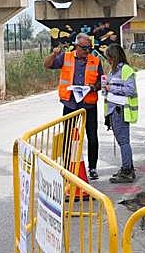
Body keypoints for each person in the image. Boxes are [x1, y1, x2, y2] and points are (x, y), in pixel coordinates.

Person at [43, 33, 105, 180]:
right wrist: (53, 54)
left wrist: (94, 87)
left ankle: (92, 167)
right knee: (68, 137)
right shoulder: (66, 57)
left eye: (89, 48)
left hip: (88, 105)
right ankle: (67, 166)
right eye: (84, 48)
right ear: (77, 46)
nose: (87, 51)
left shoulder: (95, 61)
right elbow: (47, 65)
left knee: (92, 136)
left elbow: (101, 81)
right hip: (70, 104)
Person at [103, 43, 139, 183]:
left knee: (123, 142)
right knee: (122, 141)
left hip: (121, 110)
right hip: (114, 110)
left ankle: (126, 171)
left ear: (115, 57)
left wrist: (111, 88)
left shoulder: (125, 70)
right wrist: (106, 89)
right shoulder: (112, 72)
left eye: (109, 58)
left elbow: (130, 90)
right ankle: (128, 167)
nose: (108, 61)